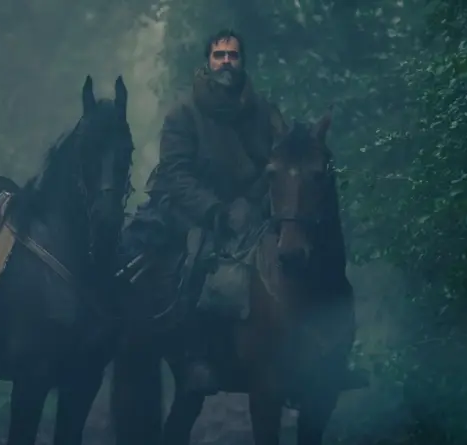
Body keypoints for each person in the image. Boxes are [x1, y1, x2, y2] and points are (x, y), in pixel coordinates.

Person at [119, 29, 357, 395]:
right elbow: (176, 173)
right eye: (219, 55)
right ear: (208, 62)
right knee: (196, 258)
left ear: (242, 61)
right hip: (195, 209)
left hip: (251, 208)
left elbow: (277, 163)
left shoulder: (262, 111)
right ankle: (194, 355)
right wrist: (216, 209)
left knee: (302, 251)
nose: (226, 62)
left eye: (233, 55)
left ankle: (318, 352)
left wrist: (260, 202)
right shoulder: (184, 113)